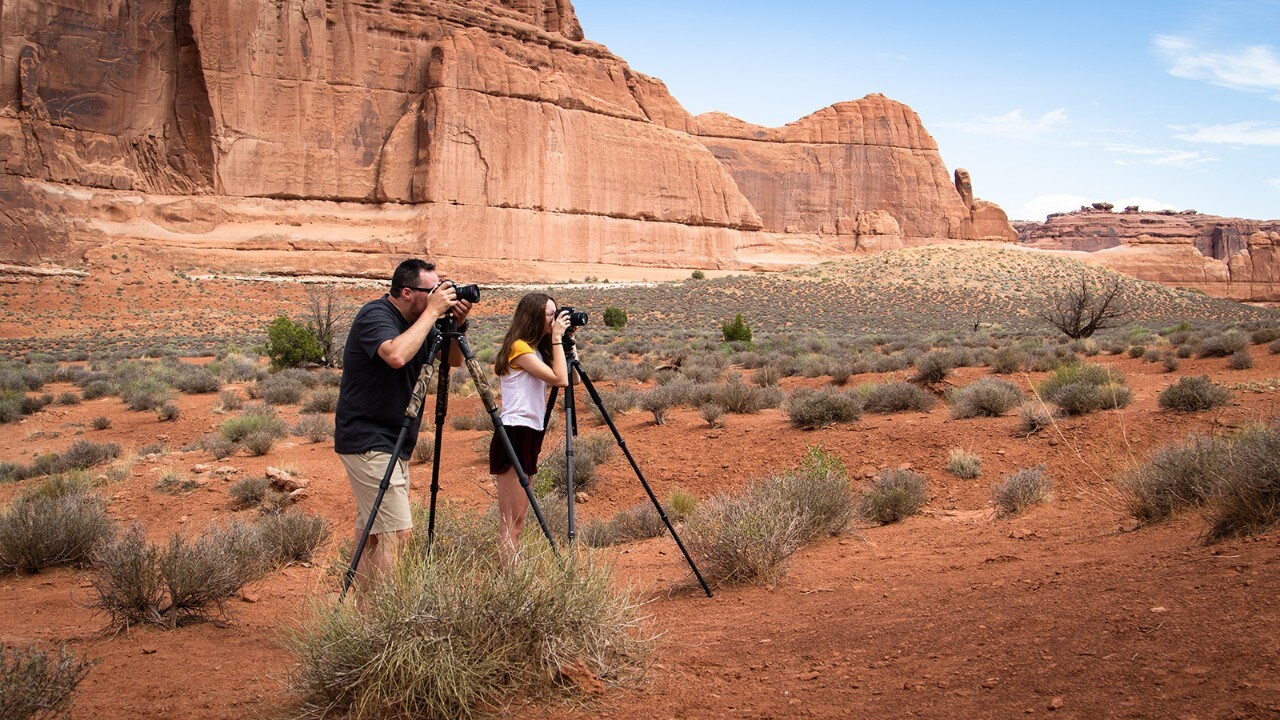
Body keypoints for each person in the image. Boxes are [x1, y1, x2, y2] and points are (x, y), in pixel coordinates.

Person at [334, 258, 472, 594]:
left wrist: (455, 325)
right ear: (407, 292)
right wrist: (430, 315)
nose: (441, 295)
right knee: (397, 534)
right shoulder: (376, 315)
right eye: (433, 291)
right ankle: (386, 620)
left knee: (373, 536)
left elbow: (452, 361)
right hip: (368, 438)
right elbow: (395, 355)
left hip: (396, 441)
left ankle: (365, 619)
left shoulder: (422, 321)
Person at [490, 292, 570, 565]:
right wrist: (557, 338)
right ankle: (508, 584)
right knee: (511, 522)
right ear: (533, 316)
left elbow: (572, 381)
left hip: (529, 433)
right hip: (515, 432)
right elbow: (560, 380)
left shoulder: (535, 351)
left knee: (519, 520)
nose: (554, 318)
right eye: (549, 314)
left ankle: (511, 579)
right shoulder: (519, 348)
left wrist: (568, 347)